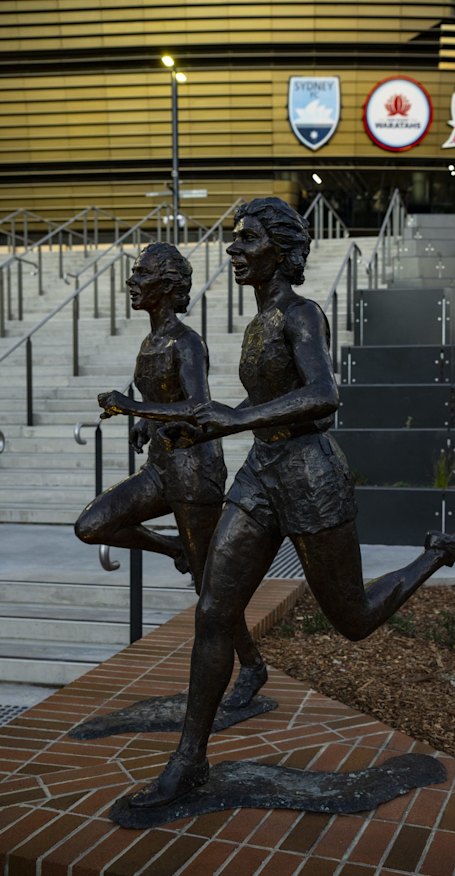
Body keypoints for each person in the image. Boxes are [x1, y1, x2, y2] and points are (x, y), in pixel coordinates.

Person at [99, 199, 455, 809]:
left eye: (247, 239)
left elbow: (325, 396)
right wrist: (192, 423)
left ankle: (435, 555)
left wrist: (234, 420)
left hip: (311, 475)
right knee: (214, 613)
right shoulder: (257, 323)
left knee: (352, 620)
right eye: (234, 239)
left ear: (279, 249)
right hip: (261, 476)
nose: (234, 250)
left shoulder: (300, 315)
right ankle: (189, 760)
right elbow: (238, 413)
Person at [76, 241, 268, 710]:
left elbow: (201, 408)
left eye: (141, 274)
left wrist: (133, 407)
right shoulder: (150, 340)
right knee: (93, 524)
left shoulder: (187, 341)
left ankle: (253, 665)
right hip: (161, 468)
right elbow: (171, 401)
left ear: (166, 286)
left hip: (195, 475)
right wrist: (147, 421)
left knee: (211, 589)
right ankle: (173, 547)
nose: (132, 282)